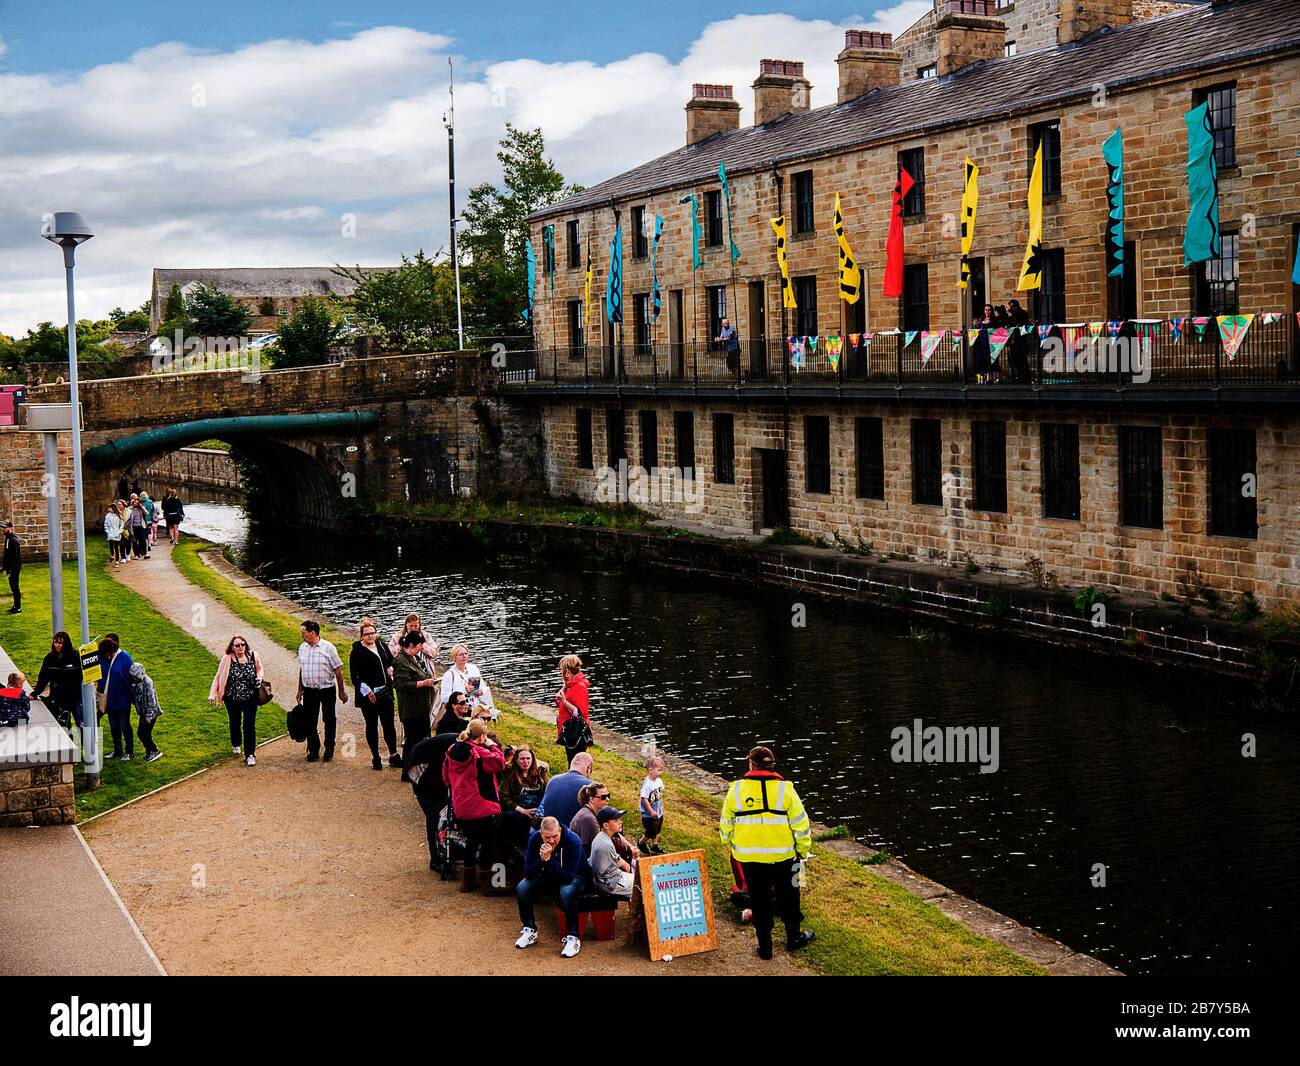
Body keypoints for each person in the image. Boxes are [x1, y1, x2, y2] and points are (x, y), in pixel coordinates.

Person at [719, 745, 815, 960]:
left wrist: (731, 841)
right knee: (791, 898)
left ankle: (765, 947)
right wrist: (803, 851)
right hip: (786, 857)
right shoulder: (786, 790)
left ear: (751, 764)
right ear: (772, 766)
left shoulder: (736, 790)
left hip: (750, 859)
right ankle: (794, 938)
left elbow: (726, 825)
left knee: (759, 901)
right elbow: (801, 824)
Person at [441, 718, 506, 893]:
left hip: (462, 805)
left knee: (471, 841)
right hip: (481, 805)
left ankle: (468, 881)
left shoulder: (451, 750)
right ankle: (489, 882)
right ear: (482, 736)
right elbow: (499, 763)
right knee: (488, 843)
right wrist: (493, 746)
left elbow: (446, 778)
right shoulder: (478, 752)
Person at [514, 816, 591, 958]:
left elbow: (567, 877)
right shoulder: (534, 839)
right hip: (550, 874)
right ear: (540, 834)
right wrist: (542, 860)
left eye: (555, 836)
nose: (551, 841)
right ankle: (530, 929)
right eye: (547, 837)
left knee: (566, 891)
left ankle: (573, 937)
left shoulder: (573, 841)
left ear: (560, 830)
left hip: (578, 877)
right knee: (522, 887)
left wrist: (548, 861)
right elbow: (528, 872)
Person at [350, 616, 402, 770]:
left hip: (385, 691)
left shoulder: (381, 645)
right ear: (362, 636)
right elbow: (355, 676)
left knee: (389, 725)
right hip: (369, 695)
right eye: (367, 634)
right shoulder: (357, 652)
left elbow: (391, 661)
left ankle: (393, 755)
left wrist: (391, 671)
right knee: (372, 725)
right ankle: (376, 757)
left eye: (372, 633)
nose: (370, 636)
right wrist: (367, 691)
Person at [406, 729, 460, 870]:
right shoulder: (457, 747)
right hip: (423, 776)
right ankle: (435, 859)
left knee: (443, 816)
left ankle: (445, 854)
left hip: (434, 776)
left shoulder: (459, 744)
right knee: (434, 817)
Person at [296, 620, 347, 763]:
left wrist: (342, 691)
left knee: (329, 719)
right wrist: (299, 690)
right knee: (310, 720)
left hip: (326, 690)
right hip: (309, 690)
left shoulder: (328, 648)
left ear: (313, 633)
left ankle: (329, 747)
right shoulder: (302, 648)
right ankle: (314, 748)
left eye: (303, 633)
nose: (302, 636)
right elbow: (302, 669)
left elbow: (338, 670)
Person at [209, 634, 264, 766]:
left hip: (250, 698)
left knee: (249, 725)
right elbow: (218, 677)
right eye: (237, 645)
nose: (240, 648)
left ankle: (250, 754)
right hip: (232, 698)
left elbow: (260, 669)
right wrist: (213, 694)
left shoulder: (253, 656)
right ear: (232, 647)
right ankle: (236, 743)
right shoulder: (227, 659)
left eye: (243, 645)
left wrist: (259, 679)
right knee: (235, 723)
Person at [393, 629, 437, 776]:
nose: (421, 648)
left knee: (421, 738)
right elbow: (401, 685)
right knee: (412, 740)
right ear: (411, 644)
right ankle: (407, 771)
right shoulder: (401, 660)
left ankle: (418, 768)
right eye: (419, 645)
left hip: (421, 707)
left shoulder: (414, 658)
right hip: (411, 709)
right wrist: (423, 683)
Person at [499, 744, 549, 855]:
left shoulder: (540, 773)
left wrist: (541, 811)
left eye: (528, 758)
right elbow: (503, 796)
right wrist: (522, 810)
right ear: (516, 760)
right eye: (522, 758)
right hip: (518, 811)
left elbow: (546, 793)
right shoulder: (510, 773)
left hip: (536, 812)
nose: (525, 762)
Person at [32, 631, 83, 729]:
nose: (57, 645)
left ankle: (85, 743)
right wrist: (35, 693)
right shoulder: (49, 658)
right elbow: (43, 677)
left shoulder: (76, 657)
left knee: (80, 723)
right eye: (56, 642)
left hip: (75, 697)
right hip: (58, 697)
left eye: (60, 643)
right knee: (63, 726)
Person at [97, 636, 135, 761]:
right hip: (111, 700)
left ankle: (129, 751)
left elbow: (131, 679)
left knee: (125, 725)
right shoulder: (108, 658)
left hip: (123, 699)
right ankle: (117, 750)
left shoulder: (124, 658)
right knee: (114, 726)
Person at [536, 750, 593, 829]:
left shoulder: (553, 780)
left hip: (547, 828)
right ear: (589, 768)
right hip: (569, 832)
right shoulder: (589, 786)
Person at [439, 643, 495, 719]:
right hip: (459, 713)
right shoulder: (449, 675)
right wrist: (464, 690)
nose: (464, 656)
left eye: (466, 653)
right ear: (454, 657)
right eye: (461, 654)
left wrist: (481, 691)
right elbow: (444, 698)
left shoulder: (473, 669)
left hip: (475, 710)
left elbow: (483, 686)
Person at [590, 806, 635, 899]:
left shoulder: (601, 836)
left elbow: (616, 860)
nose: (620, 822)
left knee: (639, 878)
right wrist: (625, 865)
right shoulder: (606, 844)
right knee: (644, 884)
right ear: (606, 826)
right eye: (616, 820)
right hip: (610, 884)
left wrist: (625, 864)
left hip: (609, 878)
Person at [554, 654, 590, 766]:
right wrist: (564, 688)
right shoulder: (570, 685)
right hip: (569, 731)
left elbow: (579, 713)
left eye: (562, 671)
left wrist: (564, 701)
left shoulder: (579, 687)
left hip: (575, 733)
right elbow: (561, 701)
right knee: (571, 760)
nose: (561, 674)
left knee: (575, 763)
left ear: (567, 672)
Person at [129, 661, 163, 762]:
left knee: (142, 733)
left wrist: (148, 717)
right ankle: (149, 752)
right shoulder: (136, 683)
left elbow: (152, 701)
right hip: (143, 713)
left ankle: (155, 751)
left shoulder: (148, 683)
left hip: (150, 713)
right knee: (145, 733)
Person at [568, 781, 612, 852]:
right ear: (591, 799)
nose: (607, 799)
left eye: (608, 796)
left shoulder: (589, 812)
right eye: (603, 797)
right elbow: (601, 847)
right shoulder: (589, 819)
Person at [639, 756, 666, 854]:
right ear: (651, 770)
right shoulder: (647, 785)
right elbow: (644, 799)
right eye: (659, 770)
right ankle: (641, 842)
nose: (661, 772)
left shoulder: (658, 780)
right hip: (648, 814)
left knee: (657, 829)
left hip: (658, 811)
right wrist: (650, 811)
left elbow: (660, 791)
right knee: (651, 831)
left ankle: (655, 845)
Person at [2, 520, 21, 613]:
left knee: (15, 587)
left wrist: (10, 569)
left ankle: (18, 607)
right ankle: (15, 606)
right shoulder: (9, 538)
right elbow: (7, 555)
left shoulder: (12, 539)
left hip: (14, 568)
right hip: (11, 567)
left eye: (5, 528)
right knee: (13, 587)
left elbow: (14, 556)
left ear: (10, 528)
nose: (3, 530)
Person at [126, 494, 148, 560]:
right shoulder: (129, 508)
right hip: (133, 527)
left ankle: (144, 554)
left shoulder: (140, 508)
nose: (136, 503)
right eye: (135, 502)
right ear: (132, 502)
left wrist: (142, 507)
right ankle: (136, 554)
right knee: (134, 541)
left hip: (141, 526)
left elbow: (147, 513)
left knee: (143, 540)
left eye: (137, 503)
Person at [104, 503, 125, 567]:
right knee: (111, 545)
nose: (108, 509)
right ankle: (112, 555)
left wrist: (119, 531)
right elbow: (106, 524)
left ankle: (117, 561)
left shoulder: (118, 515)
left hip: (117, 533)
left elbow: (121, 524)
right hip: (110, 533)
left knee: (116, 547)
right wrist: (108, 532)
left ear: (113, 508)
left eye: (109, 508)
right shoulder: (108, 515)